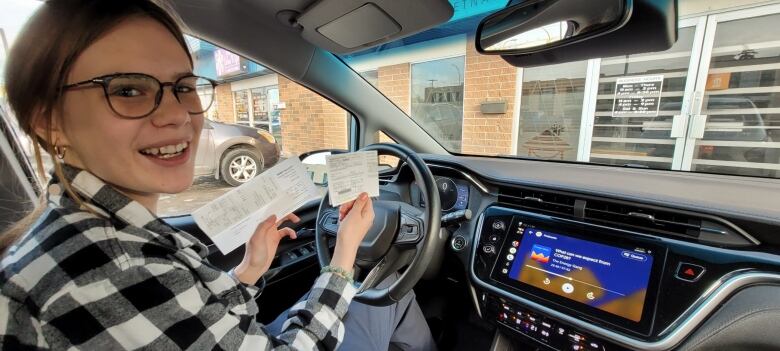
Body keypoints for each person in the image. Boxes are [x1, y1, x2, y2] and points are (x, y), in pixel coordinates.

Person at [0, 0, 434, 349]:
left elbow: (185, 322)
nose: (177, 115)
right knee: (391, 297)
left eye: (184, 86)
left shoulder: (88, 239)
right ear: (49, 121)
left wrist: (246, 272)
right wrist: (344, 258)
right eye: (128, 90)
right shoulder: (118, 269)